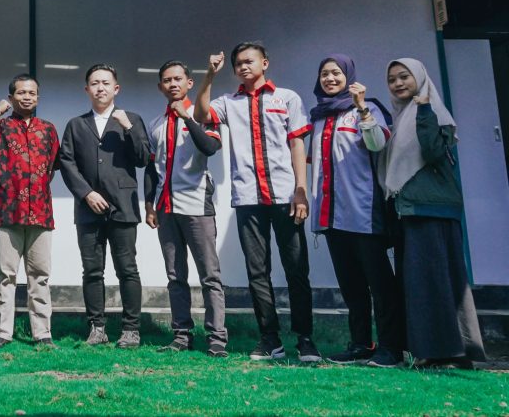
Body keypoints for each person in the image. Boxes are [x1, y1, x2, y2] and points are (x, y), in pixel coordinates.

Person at [194, 42, 320, 362]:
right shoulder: (229, 102)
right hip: (248, 198)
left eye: (249, 61)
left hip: (285, 196)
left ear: (265, 63)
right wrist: (209, 75)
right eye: (238, 63)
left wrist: (301, 189)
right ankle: (270, 339)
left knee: (296, 270)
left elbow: (297, 144)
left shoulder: (287, 98)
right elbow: (200, 114)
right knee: (257, 272)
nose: (243, 66)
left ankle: (305, 338)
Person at [379, 58, 486, 369]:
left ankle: (452, 352)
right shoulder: (401, 118)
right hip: (412, 210)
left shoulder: (433, 112)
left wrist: (425, 108)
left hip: (432, 210)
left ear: (420, 78)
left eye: (404, 77)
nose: (398, 83)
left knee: (438, 280)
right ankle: (431, 351)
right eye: (392, 79)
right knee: (421, 282)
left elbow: (433, 151)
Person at [307, 54, 403, 368]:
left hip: (363, 212)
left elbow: (378, 144)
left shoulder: (368, 107)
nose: (330, 79)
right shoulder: (318, 116)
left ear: (348, 76)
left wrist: (361, 108)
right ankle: (361, 344)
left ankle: (391, 347)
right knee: (351, 286)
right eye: (324, 74)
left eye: (336, 73)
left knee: (381, 284)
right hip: (331, 216)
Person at [60, 64, 150, 348]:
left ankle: (131, 329)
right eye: (95, 83)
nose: (100, 88)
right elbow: (66, 162)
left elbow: (143, 158)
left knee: (127, 269)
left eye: (106, 83)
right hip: (88, 210)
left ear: (116, 88)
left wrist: (128, 128)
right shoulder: (76, 124)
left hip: (123, 206)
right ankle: (97, 328)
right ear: (87, 89)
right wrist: (86, 193)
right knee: (92, 270)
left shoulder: (131, 119)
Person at [144, 60, 228, 357]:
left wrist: (187, 119)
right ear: (160, 87)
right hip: (166, 208)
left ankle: (216, 337)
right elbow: (152, 169)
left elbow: (210, 148)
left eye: (178, 79)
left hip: (196, 205)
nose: (173, 84)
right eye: (167, 80)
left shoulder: (203, 114)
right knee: (175, 276)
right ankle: (181, 334)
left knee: (209, 275)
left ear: (189, 83)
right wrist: (149, 204)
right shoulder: (155, 124)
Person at [0, 74, 59, 348]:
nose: (27, 97)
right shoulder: (1, 126)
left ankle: (42, 334)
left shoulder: (48, 129)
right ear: (11, 97)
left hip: (41, 213)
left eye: (32, 93)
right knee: (5, 275)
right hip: (7, 212)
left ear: (38, 97)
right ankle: (2, 332)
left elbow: (52, 168)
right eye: (21, 93)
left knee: (40, 276)